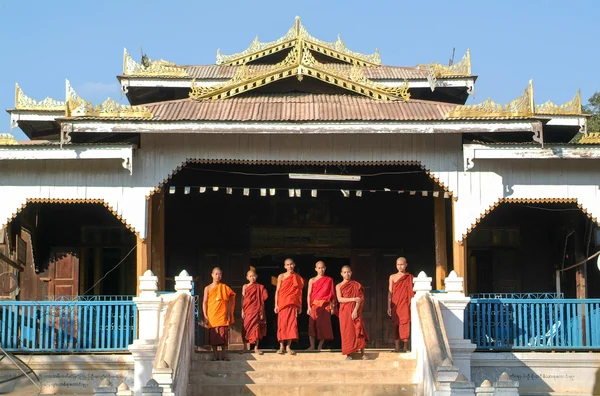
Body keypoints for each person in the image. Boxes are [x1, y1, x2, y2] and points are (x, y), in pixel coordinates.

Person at [336, 265, 368, 360]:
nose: (347, 274)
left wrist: (355, 310)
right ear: (341, 274)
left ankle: (363, 353)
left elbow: (360, 299)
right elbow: (340, 299)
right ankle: (348, 354)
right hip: (344, 311)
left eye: (348, 272)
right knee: (347, 331)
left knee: (358, 329)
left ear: (351, 272)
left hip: (355, 310)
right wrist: (353, 299)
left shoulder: (356, 285)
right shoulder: (338, 286)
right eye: (345, 272)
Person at [203, 267, 235, 361]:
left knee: (223, 335)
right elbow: (205, 302)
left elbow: (230, 300)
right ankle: (215, 355)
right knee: (214, 336)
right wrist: (205, 315)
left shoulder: (224, 287)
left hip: (222, 314)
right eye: (216, 274)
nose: (218, 276)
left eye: (220, 274)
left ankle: (224, 355)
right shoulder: (207, 288)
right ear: (212, 275)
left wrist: (229, 313)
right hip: (212, 314)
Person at [274, 258, 304, 355]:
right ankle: (281, 346)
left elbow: (299, 293)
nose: (290, 266)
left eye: (291, 264)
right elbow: (277, 291)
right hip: (282, 304)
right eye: (287, 265)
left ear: (294, 265)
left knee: (292, 325)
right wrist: (276, 304)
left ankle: (288, 347)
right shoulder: (281, 276)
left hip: (293, 304)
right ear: (285, 266)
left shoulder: (298, 277)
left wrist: (300, 306)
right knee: (282, 325)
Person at [387, 257, 415, 353]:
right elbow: (390, 292)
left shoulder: (410, 277)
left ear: (406, 265)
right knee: (396, 325)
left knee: (405, 324)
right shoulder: (392, 277)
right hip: (396, 304)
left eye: (402, 264)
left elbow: (412, 292)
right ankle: (397, 348)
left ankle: (406, 348)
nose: (400, 266)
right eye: (398, 264)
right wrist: (388, 306)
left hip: (405, 304)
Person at [306, 261, 336, 351]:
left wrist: (332, 307)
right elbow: (309, 294)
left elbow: (332, 295)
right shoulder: (312, 280)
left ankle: (320, 346)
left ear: (325, 268)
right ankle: (312, 346)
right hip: (314, 305)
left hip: (325, 305)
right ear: (315, 269)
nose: (321, 270)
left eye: (322, 268)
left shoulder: (329, 280)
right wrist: (308, 307)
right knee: (312, 325)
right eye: (319, 268)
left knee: (323, 326)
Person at [240, 269, 268, 355]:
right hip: (247, 310)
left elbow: (264, 297)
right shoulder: (245, 286)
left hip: (256, 310)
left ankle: (256, 348)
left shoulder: (260, 287)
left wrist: (261, 311)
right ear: (247, 277)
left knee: (256, 328)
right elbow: (243, 299)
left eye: (254, 276)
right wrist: (242, 310)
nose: (252, 278)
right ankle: (245, 347)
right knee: (246, 328)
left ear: (256, 276)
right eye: (250, 276)